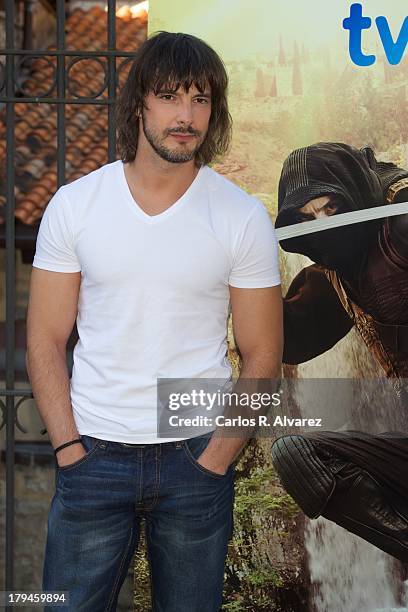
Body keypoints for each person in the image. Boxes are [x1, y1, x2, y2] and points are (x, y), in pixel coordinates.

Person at [26, 32, 283, 611]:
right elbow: (44, 335)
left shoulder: (240, 217)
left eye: (200, 100)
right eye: (169, 97)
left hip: (196, 457)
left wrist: (216, 459)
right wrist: (68, 446)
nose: (185, 116)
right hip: (91, 455)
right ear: (138, 102)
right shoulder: (76, 205)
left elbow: (263, 355)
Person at [270, 142, 408, 562]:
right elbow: (292, 342)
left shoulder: (396, 223)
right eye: (307, 217)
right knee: (297, 456)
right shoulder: (335, 269)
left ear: (354, 192)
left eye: (331, 207)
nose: (323, 224)